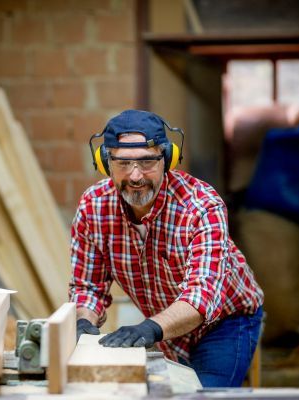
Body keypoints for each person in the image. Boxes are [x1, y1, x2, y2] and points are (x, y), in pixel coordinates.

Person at [69, 110, 264, 387]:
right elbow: (88, 287)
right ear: (105, 163)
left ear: (167, 160)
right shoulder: (93, 207)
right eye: (123, 163)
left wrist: (150, 328)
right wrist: (84, 321)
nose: (135, 176)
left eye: (147, 161)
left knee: (201, 395)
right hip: (166, 326)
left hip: (225, 321)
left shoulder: (201, 206)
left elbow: (201, 297)